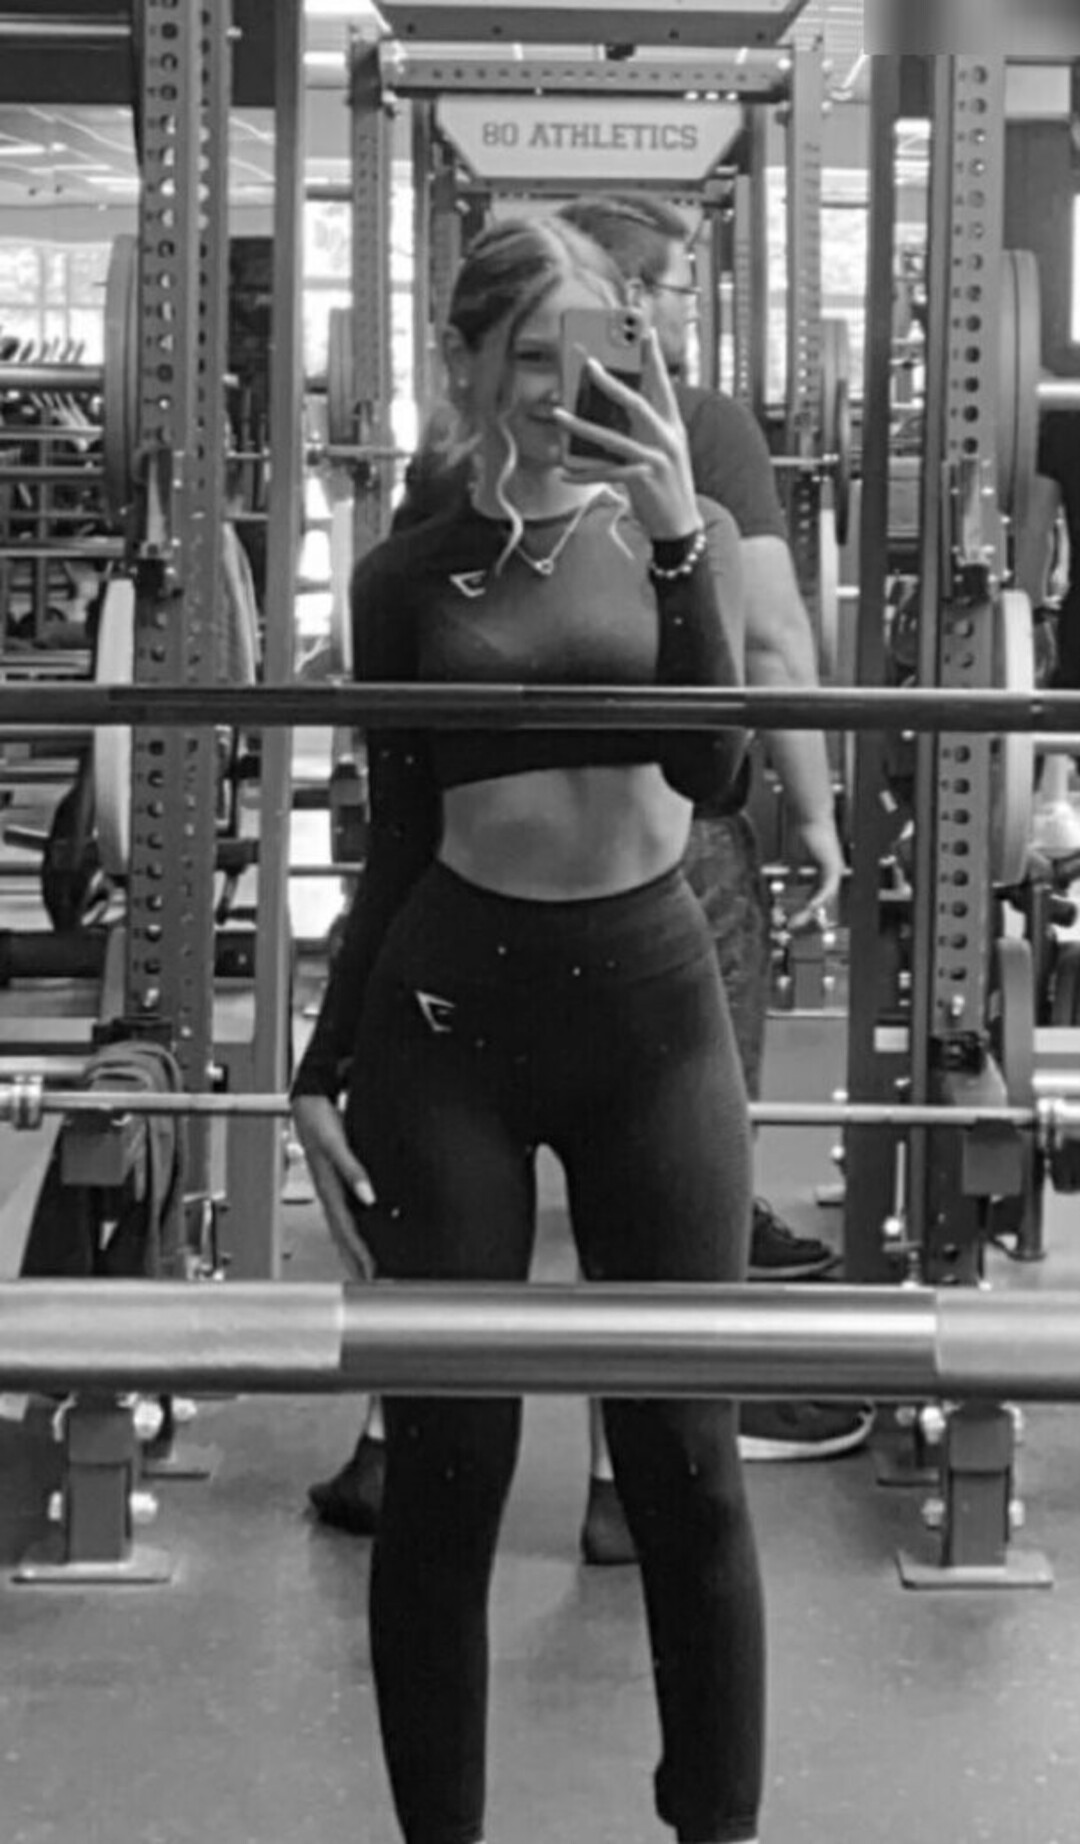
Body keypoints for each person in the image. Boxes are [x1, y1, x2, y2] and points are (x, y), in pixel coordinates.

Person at [292, 214, 766, 1844]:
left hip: (654, 1016)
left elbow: (718, 775)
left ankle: (714, 1825)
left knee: (687, 1459)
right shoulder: (405, 572)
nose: (567, 392)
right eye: (533, 358)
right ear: (469, 364)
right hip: (452, 1022)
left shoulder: (678, 531)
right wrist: (320, 1064)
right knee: (447, 1466)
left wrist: (679, 536)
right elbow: (396, 834)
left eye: (597, 357)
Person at [557, 193, 870, 1476]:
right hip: (676, 827)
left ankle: (402, 1431)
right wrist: (819, 808)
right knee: (688, 1124)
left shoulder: (471, 443)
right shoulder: (700, 423)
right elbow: (773, 640)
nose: (690, 312)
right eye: (681, 288)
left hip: (508, 839)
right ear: (633, 301)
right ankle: (693, 1415)